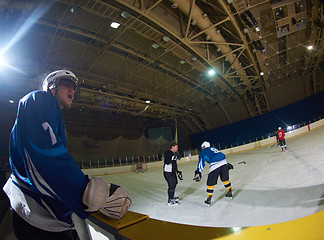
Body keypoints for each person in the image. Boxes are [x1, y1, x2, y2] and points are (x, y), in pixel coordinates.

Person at [3, 70, 131, 240]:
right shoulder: (39, 99)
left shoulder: (55, 118)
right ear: (52, 87)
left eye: (74, 88)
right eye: (67, 85)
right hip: (37, 218)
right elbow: (46, 158)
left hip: (50, 219)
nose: (73, 90)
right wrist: (87, 191)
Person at [193, 141, 233, 206]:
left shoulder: (203, 152)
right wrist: (226, 164)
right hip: (224, 162)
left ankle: (208, 199)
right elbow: (219, 156)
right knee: (225, 179)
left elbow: (201, 162)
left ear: (203, 147)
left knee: (210, 183)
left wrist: (198, 172)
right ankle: (229, 192)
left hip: (215, 165)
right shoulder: (214, 148)